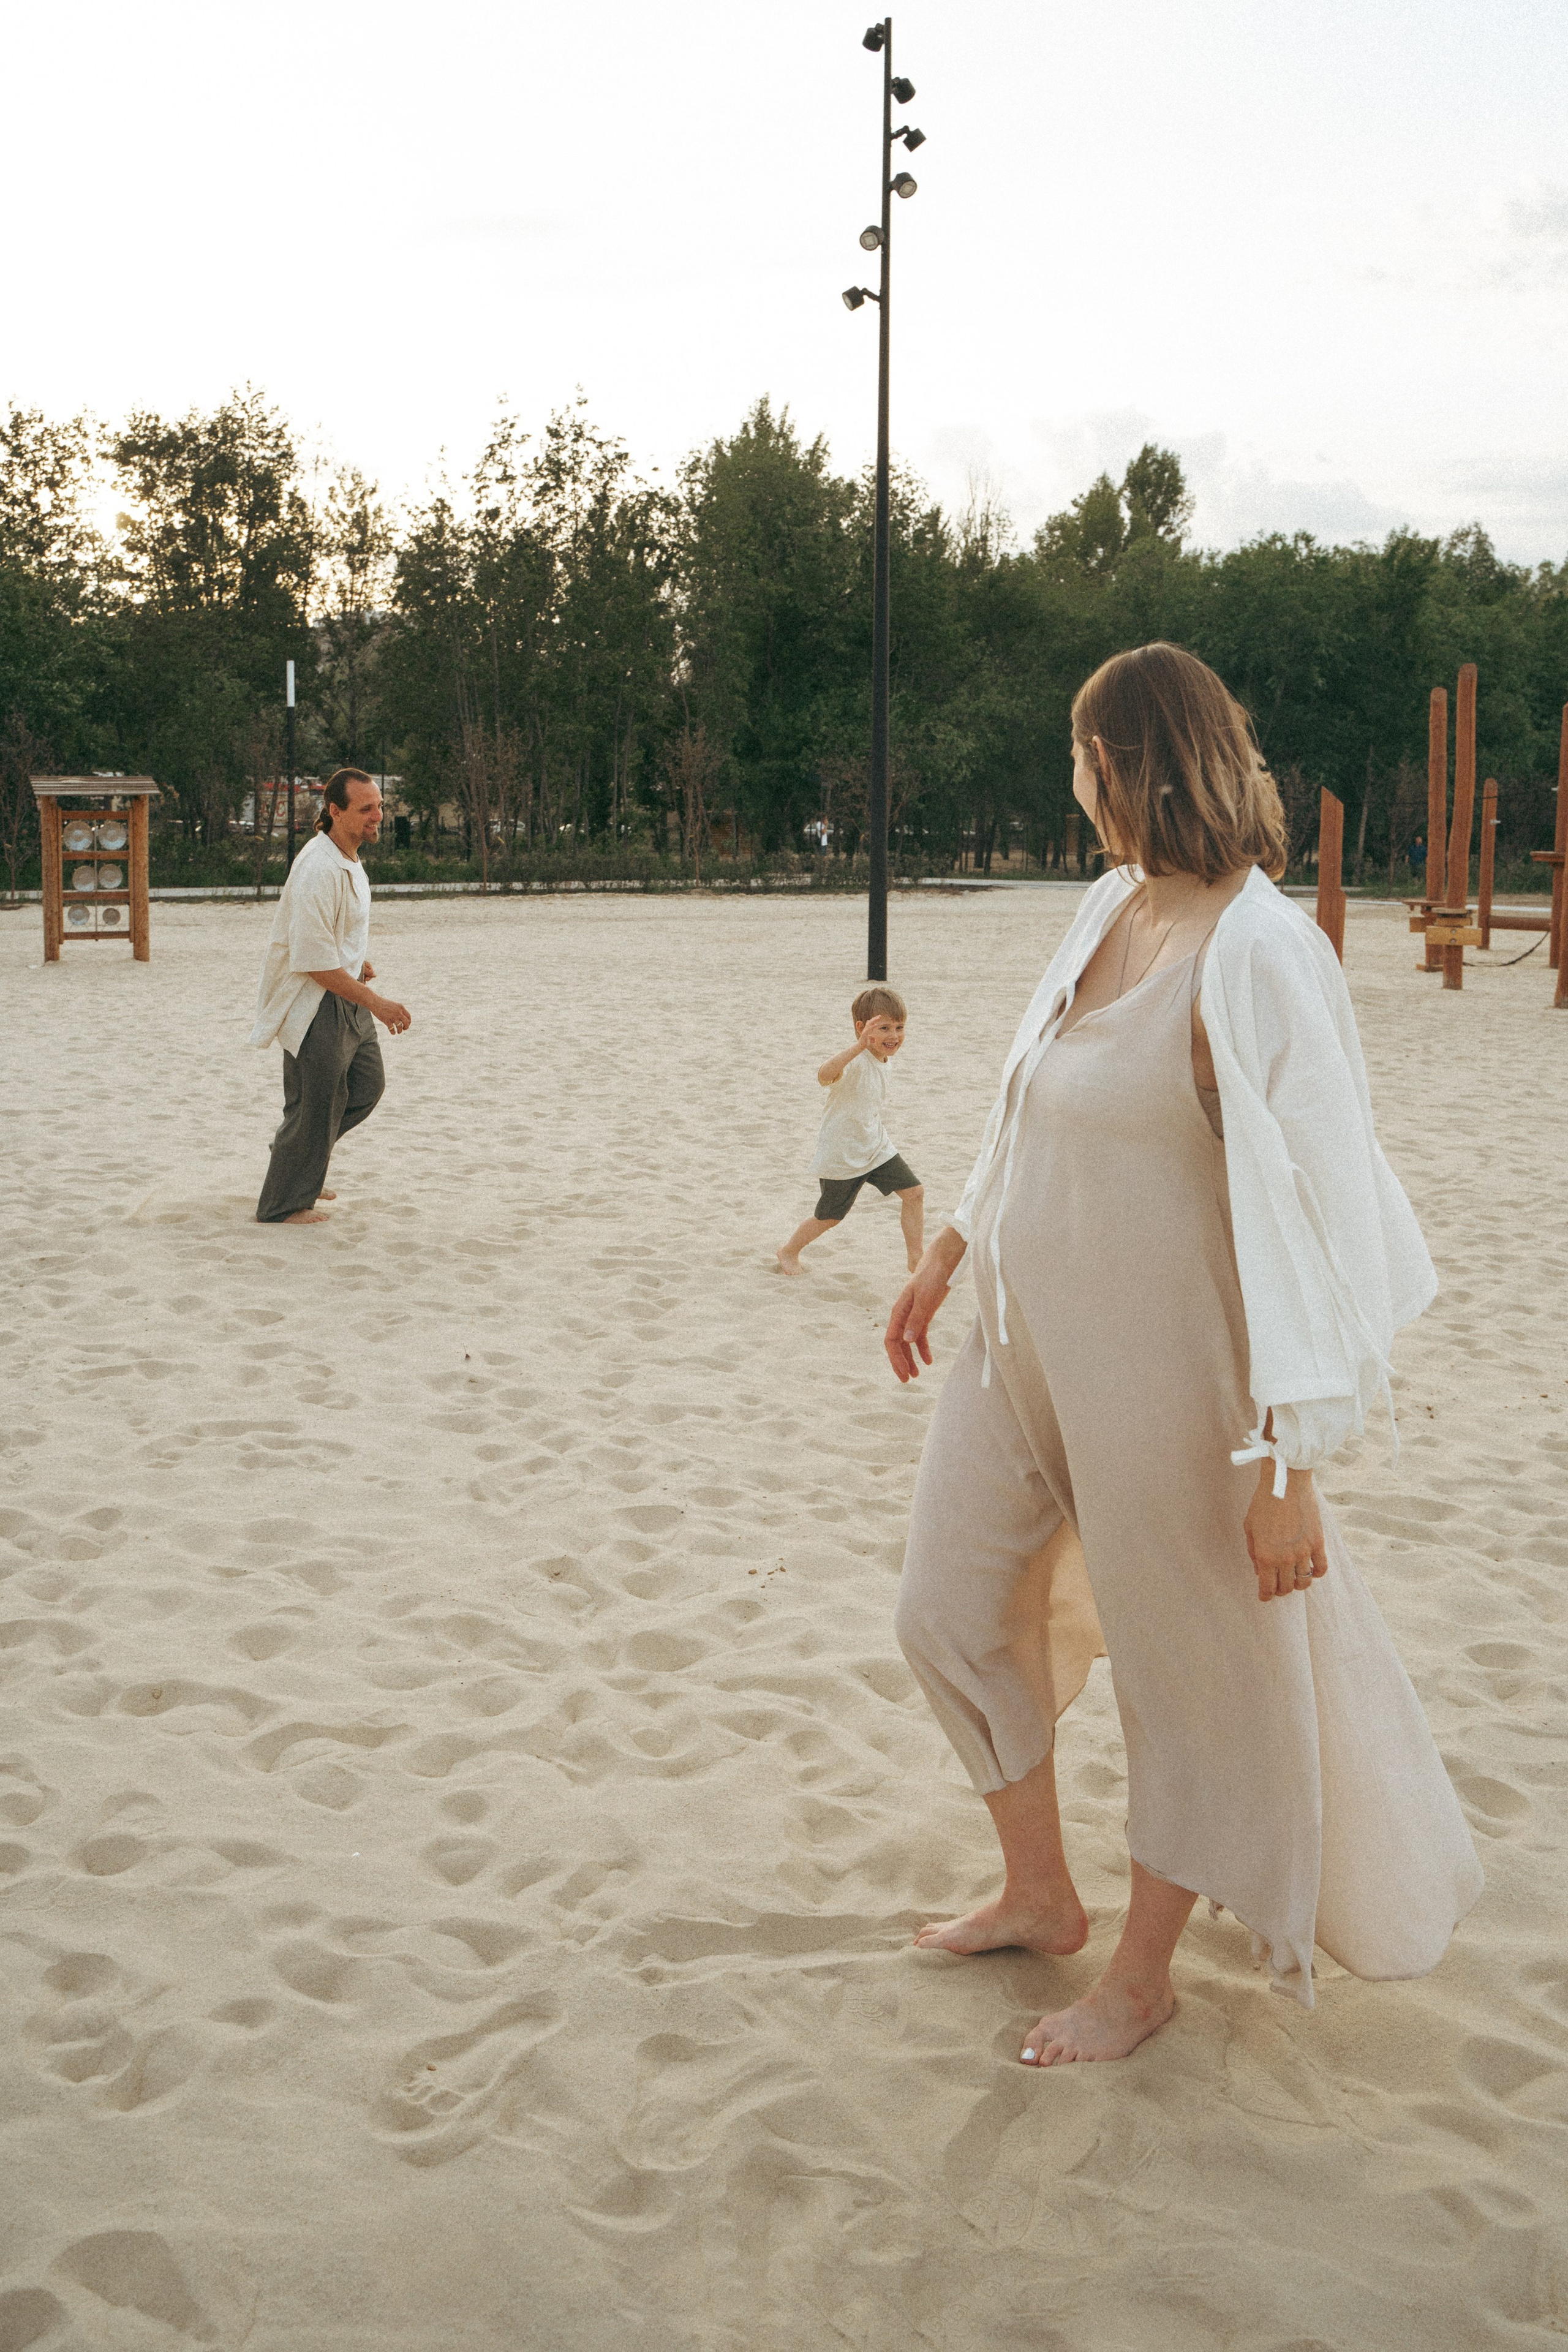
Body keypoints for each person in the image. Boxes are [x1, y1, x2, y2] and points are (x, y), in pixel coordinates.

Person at [883, 644, 1482, 2070]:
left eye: (1081, 752)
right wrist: (949, 1245)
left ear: (1130, 759)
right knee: (942, 1603)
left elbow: (1327, 1216)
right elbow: (1024, 1099)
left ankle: (1139, 1975)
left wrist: (1287, 1458)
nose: (1073, 779)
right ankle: (1040, 1890)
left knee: (1189, 1672)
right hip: (1016, 1341)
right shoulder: (1105, 901)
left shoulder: (1262, 947)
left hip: (1169, 1383)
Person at [249, 768, 412, 1226]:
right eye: (366, 809)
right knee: (315, 1107)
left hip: (344, 991)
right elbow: (313, 962)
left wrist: (357, 960)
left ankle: (299, 1156)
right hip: (314, 999)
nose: (377, 816)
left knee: (366, 1087)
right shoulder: (319, 867)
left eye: (379, 806)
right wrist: (377, 1002)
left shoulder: (349, 856)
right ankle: (283, 1204)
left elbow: (332, 937)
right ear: (335, 812)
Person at [777, 986, 924, 1276]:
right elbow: (824, 1075)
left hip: (875, 1146)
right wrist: (858, 1046)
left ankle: (916, 1259)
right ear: (862, 1028)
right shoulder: (855, 1061)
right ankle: (789, 1251)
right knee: (830, 1217)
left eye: (899, 1027)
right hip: (842, 1153)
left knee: (915, 1193)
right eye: (883, 1028)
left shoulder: (885, 1060)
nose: (893, 1036)